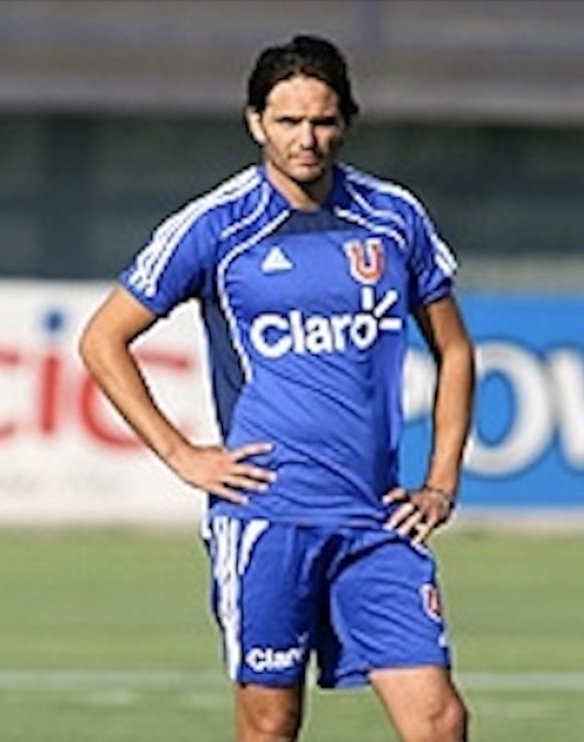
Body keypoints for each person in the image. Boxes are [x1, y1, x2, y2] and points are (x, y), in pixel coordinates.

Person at [78, 35, 474, 742]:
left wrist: (441, 480)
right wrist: (181, 454)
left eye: (322, 121)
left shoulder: (393, 218)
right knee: (271, 725)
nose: (307, 140)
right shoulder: (216, 227)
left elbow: (453, 348)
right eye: (288, 121)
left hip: (377, 520)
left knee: (440, 722)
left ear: (345, 120)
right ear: (255, 121)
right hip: (268, 518)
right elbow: (102, 339)